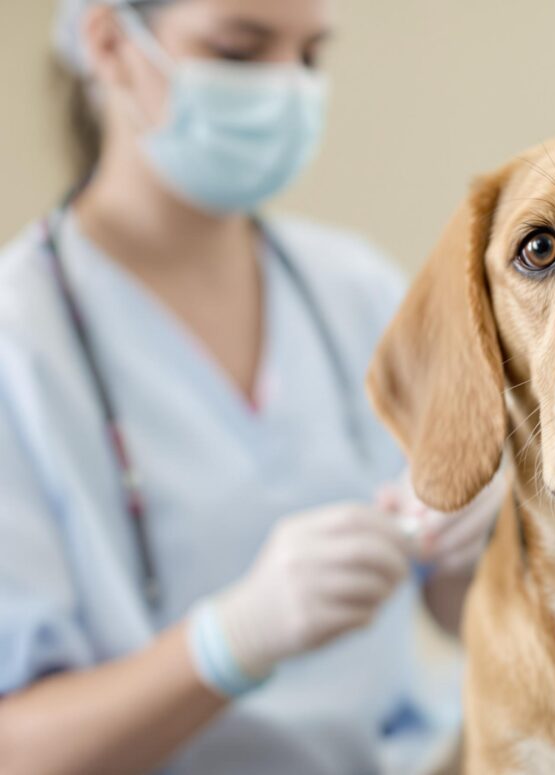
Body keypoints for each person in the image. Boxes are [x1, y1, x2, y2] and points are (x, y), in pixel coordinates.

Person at [0, 1, 501, 773]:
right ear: (108, 41)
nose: (286, 90)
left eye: (309, 58)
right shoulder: (20, 343)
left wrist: (481, 545)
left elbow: (457, 615)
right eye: (240, 50)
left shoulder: (355, 291)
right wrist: (226, 642)